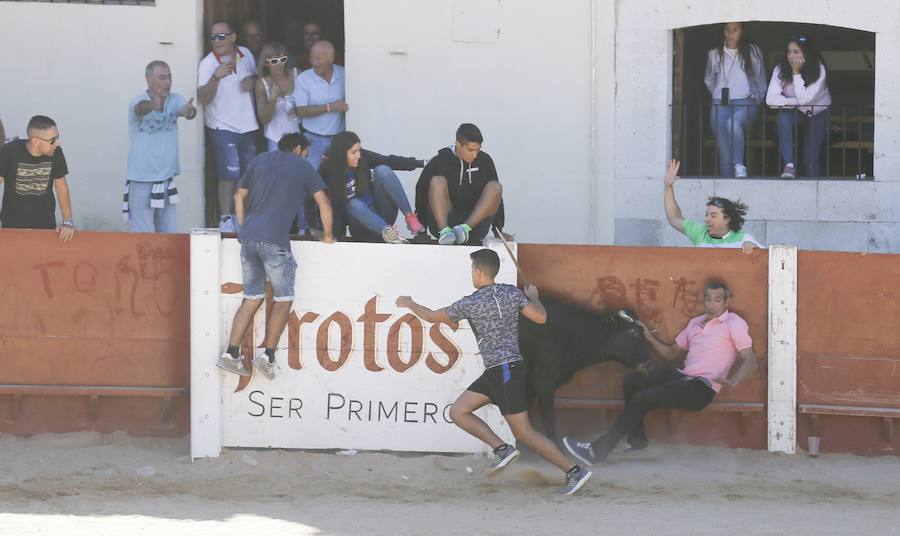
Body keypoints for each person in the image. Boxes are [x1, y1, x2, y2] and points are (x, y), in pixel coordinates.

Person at [395, 249, 593, 496]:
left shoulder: (471, 302)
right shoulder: (512, 293)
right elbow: (540, 318)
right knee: (458, 411)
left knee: (525, 433)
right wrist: (533, 296)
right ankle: (501, 449)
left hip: (504, 372)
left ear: (478, 272)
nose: (471, 274)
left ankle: (575, 471)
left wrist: (408, 303)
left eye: (471, 270)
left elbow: (431, 316)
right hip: (501, 370)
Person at [563, 280, 757, 465]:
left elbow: (750, 359)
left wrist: (734, 380)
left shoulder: (734, 323)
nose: (712, 304)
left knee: (643, 399)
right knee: (633, 380)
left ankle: (597, 451)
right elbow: (671, 353)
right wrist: (650, 337)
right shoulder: (695, 323)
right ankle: (637, 439)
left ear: (726, 302)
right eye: (708, 299)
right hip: (682, 377)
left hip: (701, 388)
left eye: (717, 300)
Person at [217, 133, 336, 381]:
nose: (305, 156)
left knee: (251, 298)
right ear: (298, 149)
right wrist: (327, 235)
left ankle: (231, 353)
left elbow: (239, 196)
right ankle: (267, 356)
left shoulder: (259, 160)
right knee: (283, 299)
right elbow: (323, 202)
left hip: (248, 238)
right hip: (274, 240)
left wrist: (242, 228)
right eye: (305, 152)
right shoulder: (301, 165)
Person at [198, 20, 260, 232]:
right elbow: (203, 97)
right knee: (228, 175)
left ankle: (240, 215)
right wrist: (216, 77)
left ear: (233, 37)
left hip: (247, 125)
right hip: (221, 126)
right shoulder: (207, 64)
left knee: (246, 176)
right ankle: (225, 219)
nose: (216, 41)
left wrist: (252, 80)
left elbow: (256, 76)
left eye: (221, 36)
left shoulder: (245, 54)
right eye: (213, 37)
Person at [124, 60, 197, 233]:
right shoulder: (139, 101)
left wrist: (189, 111)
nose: (168, 82)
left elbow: (186, 110)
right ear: (149, 80)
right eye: (162, 78)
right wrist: (151, 105)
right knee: (144, 234)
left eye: (169, 77)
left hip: (166, 178)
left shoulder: (176, 99)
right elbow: (138, 109)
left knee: (169, 233)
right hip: (141, 178)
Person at [316, 131, 426, 243]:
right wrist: (326, 233)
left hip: (382, 216)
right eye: (353, 152)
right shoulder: (326, 171)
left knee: (383, 170)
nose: (358, 155)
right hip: (360, 225)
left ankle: (410, 217)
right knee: (352, 203)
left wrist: (421, 163)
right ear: (341, 154)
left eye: (359, 150)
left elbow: (388, 160)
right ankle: (389, 233)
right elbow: (315, 200)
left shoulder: (361, 157)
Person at [414, 123, 504, 245]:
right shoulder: (439, 161)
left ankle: (463, 230)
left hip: (474, 226)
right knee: (437, 181)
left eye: (478, 150)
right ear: (457, 144)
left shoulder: (485, 160)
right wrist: (422, 231)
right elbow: (421, 193)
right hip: (445, 222)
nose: (475, 155)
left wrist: (498, 230)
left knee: (495, 187)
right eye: (470, 150)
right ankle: (445, 233)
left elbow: (496, 198)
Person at [292, 40, 347, 234]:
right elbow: (301, 110)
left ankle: (337, 229)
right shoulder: (304, 79)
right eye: (312, 57)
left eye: (319, 58)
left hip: (338, 141)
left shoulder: (344, 73)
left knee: (340, 184)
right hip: (313, 140)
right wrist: (331, 107)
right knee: (307, 183)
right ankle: (304, 228)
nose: (314, 61)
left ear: (331, 59)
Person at [703, 22, 767, 178]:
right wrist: (717, 95)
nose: (731, 33)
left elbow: (761, 79)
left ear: (742, 31)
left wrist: (756, 98)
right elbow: (709, 80)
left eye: (736, 29)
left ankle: (739, 165)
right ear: (722, 31)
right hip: (720, 105)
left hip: (745, 102)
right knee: (724, 155)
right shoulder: (714, 54)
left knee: (733, 124)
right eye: (727, 29)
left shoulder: (753, 51)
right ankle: (728, 193)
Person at [0, 115, 75, 243]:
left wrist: (68, 222)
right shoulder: (9, 151)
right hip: (12, 226)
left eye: (57, 137)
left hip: (46, 227)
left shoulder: (56, 153)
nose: (57, 143)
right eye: (52, 140)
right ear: (35, 141)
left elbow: (61, 187)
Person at [766, 34, 832, 179]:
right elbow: (770, 100)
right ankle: (789, 165)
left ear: (806, 53)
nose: (791, 55)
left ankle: (814, 191)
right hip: (795, 111)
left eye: (796, 52)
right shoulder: (780, 68)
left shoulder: (819, 69)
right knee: (783, 118)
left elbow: (805, 98)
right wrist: (795, 102)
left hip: (818, 112)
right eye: (789, 52)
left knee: (810, 159)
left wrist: (796, 73)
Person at [663, 159, 763, 253]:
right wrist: (668, 186)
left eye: (713, 216)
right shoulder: (700, 232)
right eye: (707, 215)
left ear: (727, 219)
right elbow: (674, 218)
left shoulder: (743, 238)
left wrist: (753, 246)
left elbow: (768, 258)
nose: (707, 219)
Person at [254, 41, 300, 152]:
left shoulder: (297, 74)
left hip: (298, 138)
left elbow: (312, 101)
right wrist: (273, 98)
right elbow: (264, 119)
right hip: (275, 141)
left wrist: (300, 110)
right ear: (266, 63)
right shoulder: (262, 84)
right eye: (274, 61)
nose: (279, 64)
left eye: (282, 59)